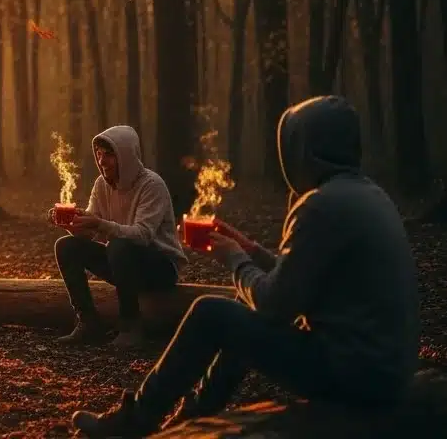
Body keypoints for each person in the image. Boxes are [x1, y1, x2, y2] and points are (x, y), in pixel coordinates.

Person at [72, 96, 420, 437]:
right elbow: (302, 276)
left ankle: (139, 418)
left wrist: (233, 258)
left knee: (210, 312)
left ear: (301, 151)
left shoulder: (320, 206)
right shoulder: (367, 195)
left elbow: (273, 305)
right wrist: (251, 249)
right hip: (384, 371)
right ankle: (198, 412)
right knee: (237, 309)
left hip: (351, 376)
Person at [49, 125, 186, 349]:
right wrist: (70, 225)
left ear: (127, 155)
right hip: (123, 264)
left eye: (109, 154)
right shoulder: (101, 185)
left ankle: (131, 326)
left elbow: (142, 235)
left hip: (160, 268)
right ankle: (88, 321)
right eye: (99, 155)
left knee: (120, 246)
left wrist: (99, 223)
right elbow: (91, 233)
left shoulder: (152, 185)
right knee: (66, 246)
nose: (102, 161)